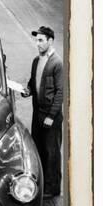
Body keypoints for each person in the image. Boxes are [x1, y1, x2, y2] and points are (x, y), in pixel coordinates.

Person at [22, 26, 63, 196]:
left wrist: (51, 116)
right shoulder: (36, 61)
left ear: (50, 41)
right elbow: (34, 82)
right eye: (36, 40)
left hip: (49, 116)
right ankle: (41, 183)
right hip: (37, 112)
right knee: (38, 148)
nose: (37, 44)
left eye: (41, 40)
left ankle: (52, 188)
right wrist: (28, 91)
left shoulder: (57, 63)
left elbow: (61, 92)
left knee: (51, 152)